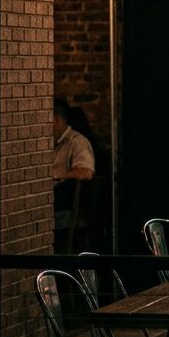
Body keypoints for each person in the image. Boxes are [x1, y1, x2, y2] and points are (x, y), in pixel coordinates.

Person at [52, 97, 95, 248]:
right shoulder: (51, 143)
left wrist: (57, 177)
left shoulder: (77, 142)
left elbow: (86, 172)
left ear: (56, 120)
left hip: (66, 207)